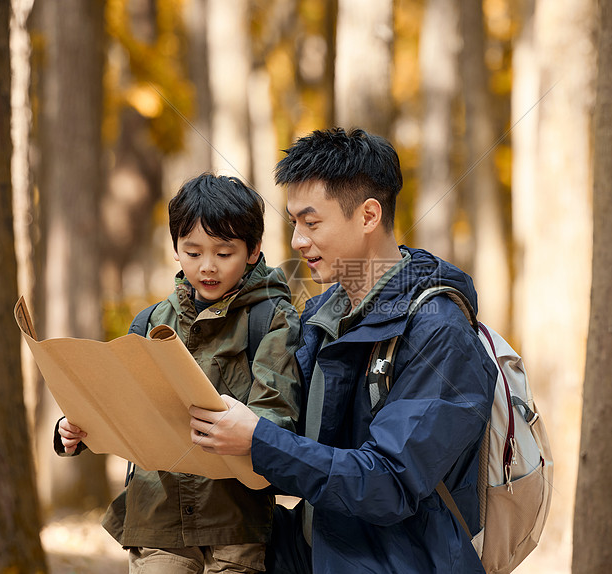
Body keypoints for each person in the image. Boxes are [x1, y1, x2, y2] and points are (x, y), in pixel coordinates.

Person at [189, 128, 496, 573]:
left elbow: (388, 483)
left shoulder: (439, 332)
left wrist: (257, 439)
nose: (296, 240)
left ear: (369, 215)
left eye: (311, 223)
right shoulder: (320, 317)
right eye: (294, 222)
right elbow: (297, 446)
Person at [56, 173, 302, 574]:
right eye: (192, 252)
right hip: (157, 519)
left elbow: (276, 415)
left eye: (224, 254)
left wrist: (239, 429)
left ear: (254, 250)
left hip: (235, 523)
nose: (207, 267)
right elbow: (118, 406)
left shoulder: (271, 319)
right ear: (175, 249)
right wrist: (76, 428)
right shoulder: (150, 321)